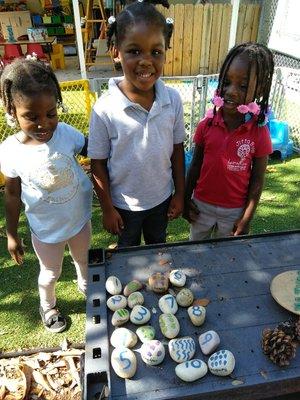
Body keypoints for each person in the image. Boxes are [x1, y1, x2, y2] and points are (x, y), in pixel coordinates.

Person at [0, 58, 93, 333]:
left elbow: (94, 151)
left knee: (84, 260)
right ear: (12, 111)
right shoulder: (10, 150)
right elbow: (13, 194)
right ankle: (48, 305)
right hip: (46, 230)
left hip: (80, 221)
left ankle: (87, 288)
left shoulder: (66, 133)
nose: (44, 124)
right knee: (50, 273)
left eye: (51, 113)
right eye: (31, 116)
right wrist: (12, 235)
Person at [88, 0, 185, 247]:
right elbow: (97, 164)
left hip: (161, 200)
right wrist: (107, 208)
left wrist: (180, 194)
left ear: (166, 51)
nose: (145, 61)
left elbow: (177, 150)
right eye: (134, 51)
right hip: (124, 206)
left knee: (157, 251)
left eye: (156, 52)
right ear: (115, 51)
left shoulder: (172, 100)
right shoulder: (104, 109)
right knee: (127, 260)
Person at [184, 42, 274, 240]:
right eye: (226, 82)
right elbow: (195, 165)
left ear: (259, 90)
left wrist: (246, 217)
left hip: (234, 212)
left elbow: (257, 180)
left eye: (242, 86)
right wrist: (185, 199)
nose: (231, 91)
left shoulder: (259, 133)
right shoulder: (206, 125)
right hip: (201, 207)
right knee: (195, 254)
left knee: (226, 259)